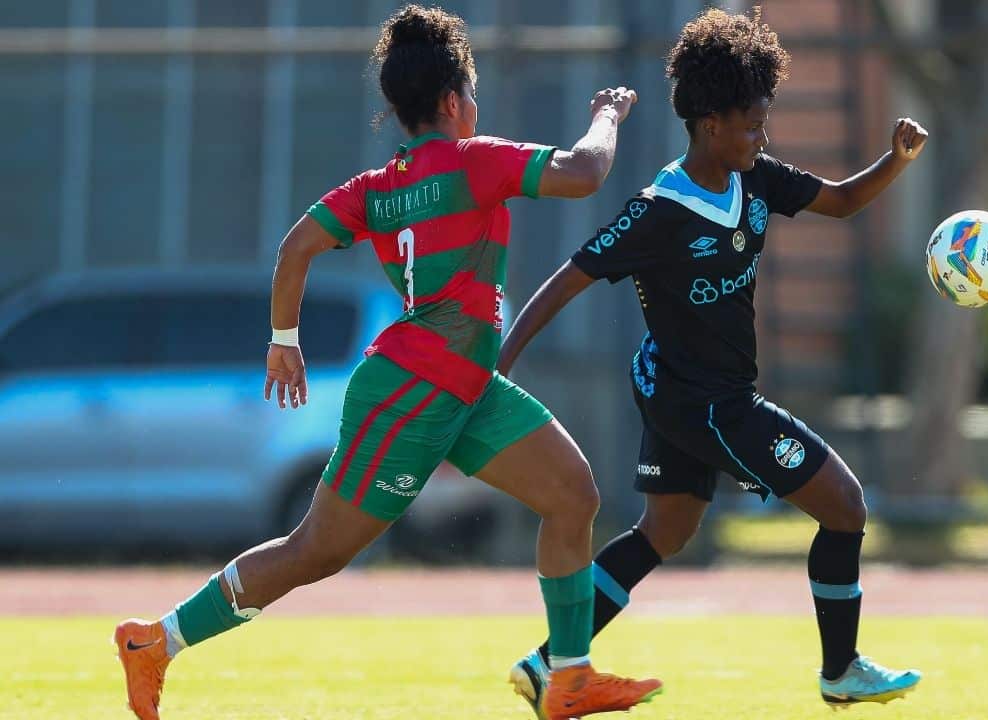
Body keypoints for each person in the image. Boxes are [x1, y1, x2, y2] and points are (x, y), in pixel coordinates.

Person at [113, 6, 662, 720]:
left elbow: (295, 247)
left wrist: (285, 338)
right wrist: (608, 114)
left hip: (463, 386)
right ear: (450, 101)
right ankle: (155, 643)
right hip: (412, 390)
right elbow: (585, 171)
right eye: (472, 91)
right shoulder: (475, 159)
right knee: (315, 551)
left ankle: (569, 675)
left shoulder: (375, 187)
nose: (477, 105)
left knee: (573, 495)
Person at [502, 6, 927, 713]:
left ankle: (549, 662)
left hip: (681, 391)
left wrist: (897, 159)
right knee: (846, 507)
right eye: (754, 124)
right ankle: (841, 668)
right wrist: (502, 367)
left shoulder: (754, 176)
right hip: (712, 405)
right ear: (710, 124)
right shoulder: (659, 211)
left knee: (663, 530)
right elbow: (564, 282)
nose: (763, 137)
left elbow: (845, 201)